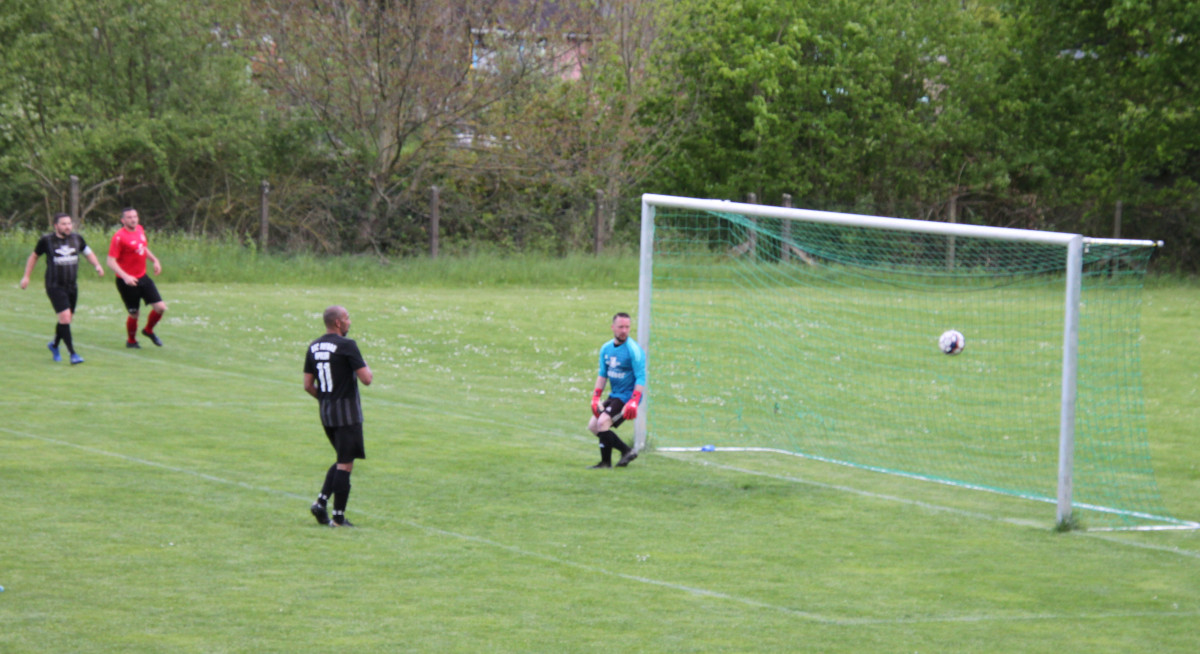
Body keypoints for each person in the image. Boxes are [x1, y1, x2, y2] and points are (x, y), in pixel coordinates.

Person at [303, 305, 373, 527]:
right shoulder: (347, 345)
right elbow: (367, 379)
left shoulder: (313, 346)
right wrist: (363, 362)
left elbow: (308, 385)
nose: (349, 322)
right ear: (337, 322)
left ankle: (320, 503)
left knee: (343, 458)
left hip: (327, 414)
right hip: (347, 415)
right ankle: (338, 519)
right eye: (347, 318)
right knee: (345, 464)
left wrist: (326, 400)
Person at [19, 213, 105, 364]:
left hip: (71, 285)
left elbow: (88, 252)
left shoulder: (77, 239)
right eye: (64, 224)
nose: (67, 226)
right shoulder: (47, 240)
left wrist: (97, 265)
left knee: (67, 319)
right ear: (56, 226)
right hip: (54, 285)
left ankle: (54, 345)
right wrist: (26, 276)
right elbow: (34, 257)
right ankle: (73, 354)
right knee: (65, 317)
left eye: (69, 223)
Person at [587, 312, 646, 468]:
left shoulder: (634, 350)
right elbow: (602, 375)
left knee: (603, 422)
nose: (624, 330)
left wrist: (634, 401)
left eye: (627, 327)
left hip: (628, 396)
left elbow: (641, 377)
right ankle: (626, 451)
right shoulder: (606, 348)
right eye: (620, 327)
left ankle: (605, 463)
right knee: (593, 425)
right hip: (615, 395)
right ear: (613, 327)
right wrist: (596, 397)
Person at [106, 207, 167, 348]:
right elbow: (110, 261)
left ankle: (148, 330)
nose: (133, 219)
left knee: (161, 307)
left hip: (142, 277)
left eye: (135, 216)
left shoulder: (140, 229)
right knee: (134, 314)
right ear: (123, 220)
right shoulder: (119, 237)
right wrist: (125, 276)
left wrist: (155, 260)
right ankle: (131, 341)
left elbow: (143, 248)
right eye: (129, 217)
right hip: (126, 282)